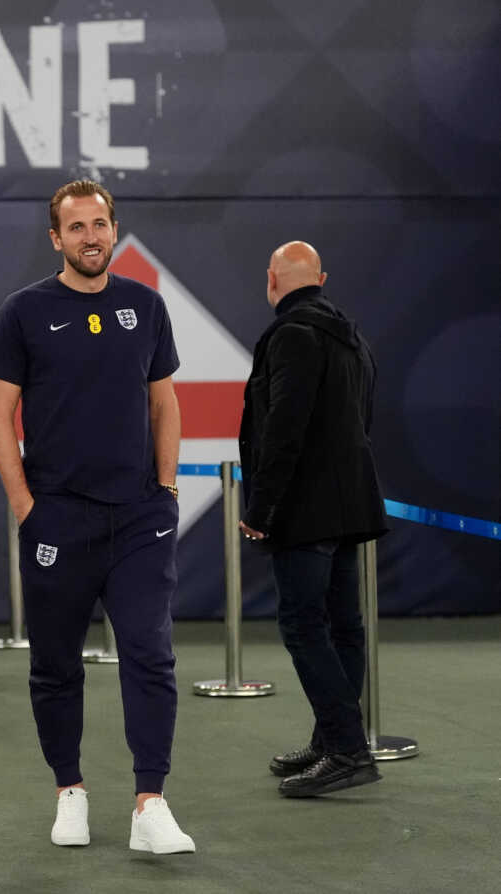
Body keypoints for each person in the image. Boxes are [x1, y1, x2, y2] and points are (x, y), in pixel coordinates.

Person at [0, 179, 195, 854]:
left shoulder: (145, 306)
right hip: (59, 522)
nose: (91, 237)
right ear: (57, 238)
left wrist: (165, 489)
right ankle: (68, 790)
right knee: (55, 664)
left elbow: (165, 403)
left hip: (139, 519)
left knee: (150, 654)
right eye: (77, 228)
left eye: (100, 224)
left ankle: (150, 803)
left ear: (112, 227)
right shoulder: (22, 313)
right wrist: (25, 506)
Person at [239, 241, 388, 798]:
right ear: (320, 278)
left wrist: (262, 507)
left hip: (306, 510)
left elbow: (283, 428)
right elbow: (363, 419)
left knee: (304, 627)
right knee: (342, 626)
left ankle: (347, 748)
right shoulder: (353, 338)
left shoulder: (291, 335)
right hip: (350, 505)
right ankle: (334, 739)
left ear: (272, 279)